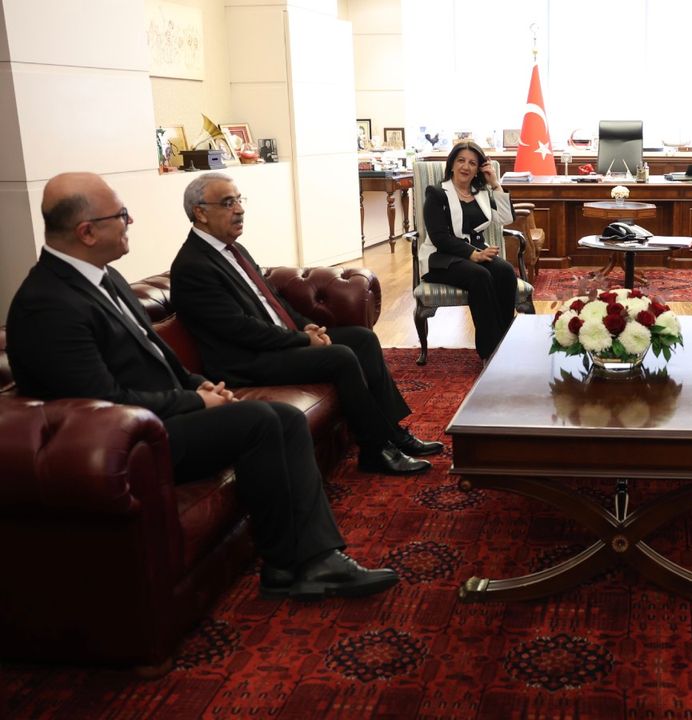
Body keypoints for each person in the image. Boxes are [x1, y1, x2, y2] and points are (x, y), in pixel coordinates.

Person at [5, 172, 398, 600]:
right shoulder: (48, 305)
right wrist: (194, 400)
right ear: (86, 232)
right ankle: (307, 562)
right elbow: (103, 402)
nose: (130, 221)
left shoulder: (105, 277)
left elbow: (158, 356)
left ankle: (291, 566)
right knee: (261, 422)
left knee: (283, 419)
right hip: (130, 438)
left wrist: (201, 384)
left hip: (159, 414)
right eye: (121, 214)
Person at [170, 173, 439, 477]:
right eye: (228, 203)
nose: (240, 210)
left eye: (239, 200)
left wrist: (307, 327)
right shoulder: (193, 266)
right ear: (200, 212)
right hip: (246, 360)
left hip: (276, 342)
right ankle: (375, 450)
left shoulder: (234, 250)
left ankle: (394, 432)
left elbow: (274, 301)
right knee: (340, 357)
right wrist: (300, 340)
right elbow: (239, 329)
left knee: (362, 339)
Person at [421, 140, 518, 361]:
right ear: (452, 164)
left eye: (472, 163)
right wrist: (473, 255)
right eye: (461, 160)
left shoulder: (481, 192)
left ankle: (504, 341)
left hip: (475, 252)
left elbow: (506, 218)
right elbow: (439, 238)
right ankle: (489, 352)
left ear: (478, 169)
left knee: (505, 271)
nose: (466, 166)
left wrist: (495, 184)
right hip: (441, 258)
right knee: (480, 276)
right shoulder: (437, 194)